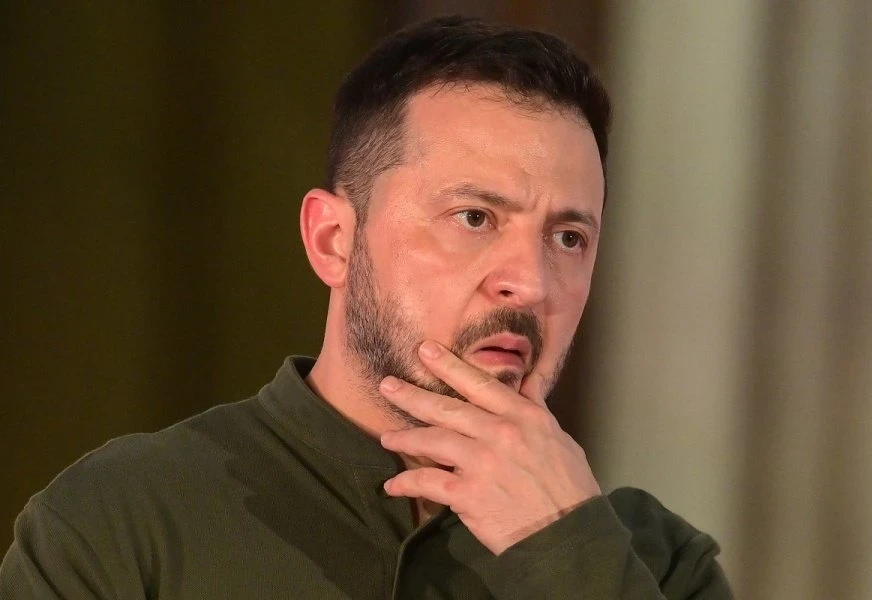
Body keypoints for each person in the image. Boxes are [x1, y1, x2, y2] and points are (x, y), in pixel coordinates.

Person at [1, 15, 732, 599]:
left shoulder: (656, 563)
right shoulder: (123, 522)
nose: (532, 283)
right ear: (333, 240)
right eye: (475, 217)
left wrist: (566, 553)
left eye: (569, 238)